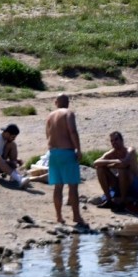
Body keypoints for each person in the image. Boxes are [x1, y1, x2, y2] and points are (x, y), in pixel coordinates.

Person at [45, 94, 86, 227]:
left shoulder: (50, 116)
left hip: (53, 152)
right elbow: (72, 131)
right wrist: (78, 149)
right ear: (67, 103)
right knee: (73, 185)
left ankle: (59, 216)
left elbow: (48, 134)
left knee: (58, 186)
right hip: (67, 152)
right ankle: (76, 216)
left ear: (56, 102)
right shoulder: (68, 113)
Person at [92, 132, 138, 209]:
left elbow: (124, 163)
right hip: (119, 182)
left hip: (133, 183)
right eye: (112, 141)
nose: (114, 142)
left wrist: (111, 164)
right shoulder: (112, 153)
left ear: (122, 140)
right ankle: (109, 200)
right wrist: (114, 161)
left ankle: (123, 201)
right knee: (100, 169)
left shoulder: (130, 150)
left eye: (116, 139)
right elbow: (96, 163)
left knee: (122, 170)